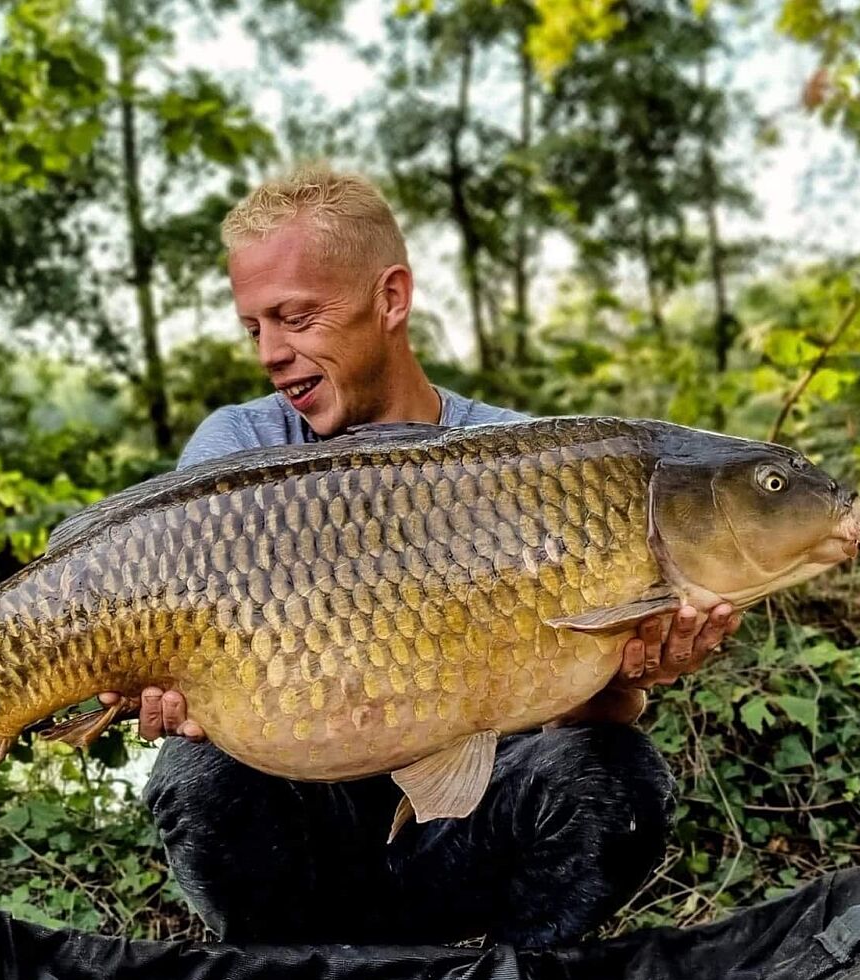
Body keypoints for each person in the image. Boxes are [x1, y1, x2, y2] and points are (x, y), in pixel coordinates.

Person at [99, 163, 741, 948]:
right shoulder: (241, 451)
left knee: (615, 773)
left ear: (391, 298)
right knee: (197, 775)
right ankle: (288, 969)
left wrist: (628, 671)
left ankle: (514, 969)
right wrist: (164, 687)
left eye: (296, 318)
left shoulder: (529, 462)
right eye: (254, 326)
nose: (269, 351)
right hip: (304, 834)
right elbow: (177, 661)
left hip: (462, 829)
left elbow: (582, 719)